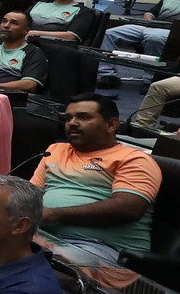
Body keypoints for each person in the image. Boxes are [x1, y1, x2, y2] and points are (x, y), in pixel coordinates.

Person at [31, 93, 161, 266]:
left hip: (100, 248)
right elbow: (31, 195)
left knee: (37, 265)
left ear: (111, 125)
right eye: (68, 118)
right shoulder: (55, 150)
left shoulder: (133, 159)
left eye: (84, 117)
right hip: (44, 237)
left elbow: (129, 208)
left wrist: (56, 215)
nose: (72, 123)